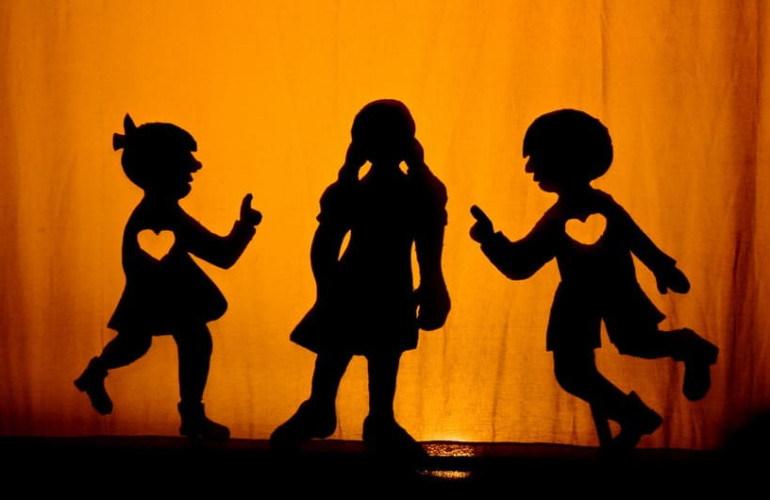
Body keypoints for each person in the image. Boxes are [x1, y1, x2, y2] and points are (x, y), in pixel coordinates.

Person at [470, 109, 718, 449]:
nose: (530, 169)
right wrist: (490, 240)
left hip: (618, 292)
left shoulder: (594, 210)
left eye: (537, 158)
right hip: (576, 301)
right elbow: (522, 264)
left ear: (566, 159)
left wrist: (663, 267)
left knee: (637, 344)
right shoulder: (558, 217)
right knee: (573, 373)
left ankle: (690, 349)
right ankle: (634, 416)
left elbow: (635, 238)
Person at [270, 100, 450, 456]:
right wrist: (326, 288)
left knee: (375, 352)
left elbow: (427, 242)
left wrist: (433, 284)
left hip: (373, 284)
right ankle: (330, 409)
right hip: (367, 283)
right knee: (349, 351)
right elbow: (325, 244)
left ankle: (367, 417)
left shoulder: (409, 192)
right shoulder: (376, 192)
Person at [74, 114, 262, 439]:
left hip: (164, 295)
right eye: (185, 161)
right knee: (165, 341)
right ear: (161, 167)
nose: (195, 168)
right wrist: (245, 226)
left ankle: (101, 375)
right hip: (161, 296)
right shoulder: (161, 215)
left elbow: (218, 255)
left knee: (152, 341)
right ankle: (189, 414)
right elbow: (221, 256)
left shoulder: (160, 211)